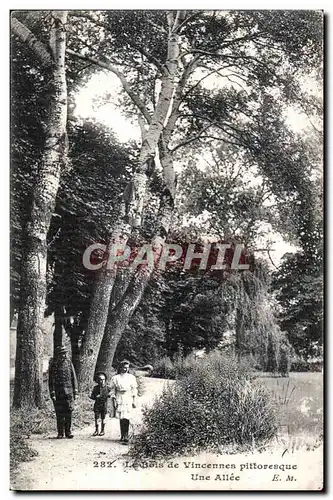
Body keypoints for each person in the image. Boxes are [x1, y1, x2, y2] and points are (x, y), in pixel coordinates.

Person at [48, 345, 78, 439]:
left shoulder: (69, 363)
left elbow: (74, 378)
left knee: (69, 412)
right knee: (59, 413)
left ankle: (68, 432)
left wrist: (76, 392)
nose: (64, 356)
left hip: (69, 393)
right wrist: (52, 393)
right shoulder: (53, 365)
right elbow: (51, 380)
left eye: (65, 353)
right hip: (58, 393)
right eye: (62, 354)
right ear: (58, 355)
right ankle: (60, 433)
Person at [110, 360, 138, 444]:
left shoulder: (131, 377)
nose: (125, 369)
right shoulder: (116, 378)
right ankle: (122, 435)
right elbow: (112, 390)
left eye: (127, 368)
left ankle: (126, 435)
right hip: (119, 397)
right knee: (121, 417)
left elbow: (134, 389)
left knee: (127, 417)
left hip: (128, 397)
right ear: (120, 368)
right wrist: (114, 399)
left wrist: (134, 400)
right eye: (124, 367)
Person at [90, 372, 111, 436]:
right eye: (100, 379)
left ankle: (102, 430)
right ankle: (96, 430)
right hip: (97, 404)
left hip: (104, 404)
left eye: (103, 379)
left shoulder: (108, 388)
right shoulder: (95, 388)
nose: (101, 381)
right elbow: (92, 396)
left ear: (105, 380)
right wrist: (94, 396)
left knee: (103, 417)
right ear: (98, 380)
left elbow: (111, 394)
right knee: (96, 417)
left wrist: (109, 395)